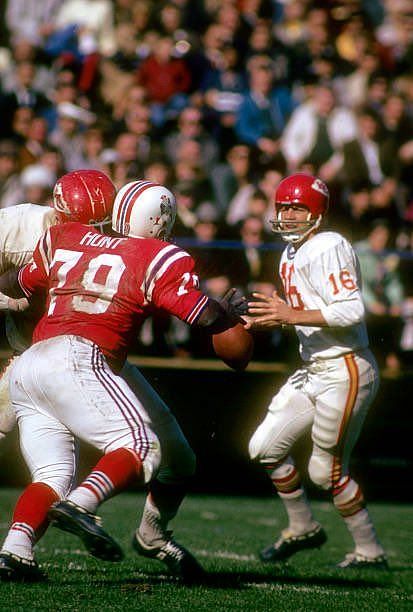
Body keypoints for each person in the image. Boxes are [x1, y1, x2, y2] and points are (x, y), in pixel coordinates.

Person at [0, 178, 250, 582]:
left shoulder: (62, 236)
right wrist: (226, 315)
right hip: (82, 358)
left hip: (31, 362)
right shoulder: (158, 255)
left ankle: (15, 551)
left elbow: (17, 285)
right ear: (159, 221)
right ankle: (81, 505)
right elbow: (203, 318)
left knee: (53, 473)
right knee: (140, 444)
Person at [246, 173, 387, 569]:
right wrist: (274, 319)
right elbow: (305, 314)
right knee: (264, 449)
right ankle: (302, 526)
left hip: (346, 365)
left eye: (297, 208)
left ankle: (370, 550)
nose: (288, 215)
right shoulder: (288, 254)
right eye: (283, 207)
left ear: (318, 213)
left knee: (325, 471)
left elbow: (352, 309)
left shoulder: (329, 244)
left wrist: (290, 314)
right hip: (314, 368)